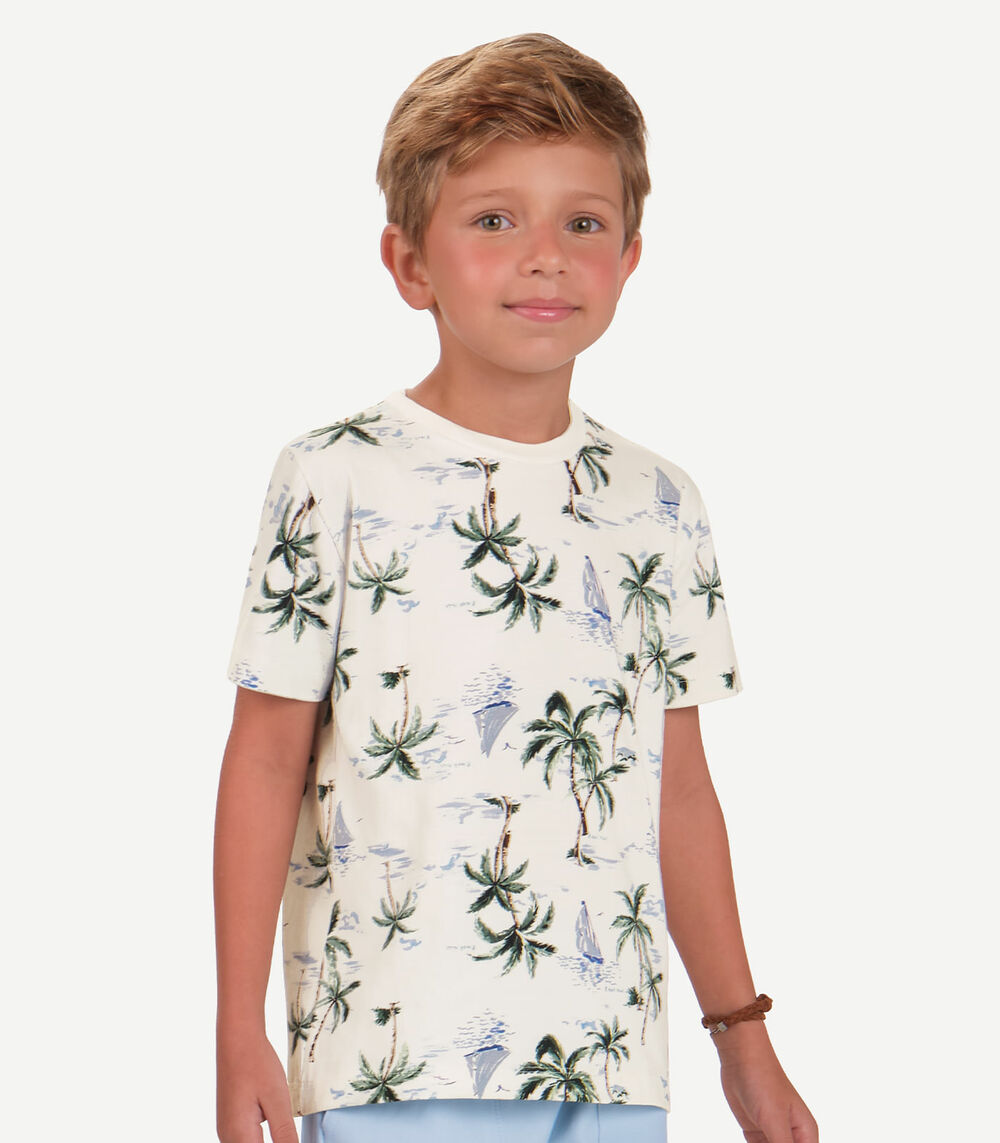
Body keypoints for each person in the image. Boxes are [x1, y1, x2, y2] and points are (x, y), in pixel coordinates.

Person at [214, 32, 818, 1143]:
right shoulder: (335, 474)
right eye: (494, 220)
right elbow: (264, 758)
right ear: (410, 264)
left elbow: (678, 790)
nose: (545, 257)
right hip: (391, 1068)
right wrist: (236, 1025)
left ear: (629, 257)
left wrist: (744, 1039)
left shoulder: (660, 501)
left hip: (613, 1067)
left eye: (582, 223)